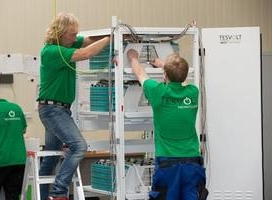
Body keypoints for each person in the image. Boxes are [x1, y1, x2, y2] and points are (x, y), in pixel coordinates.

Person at [37, 12, 111, 200]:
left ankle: (44, 196)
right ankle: (59, 193)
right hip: (53, 110)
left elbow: (87, 40)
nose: (75, 37)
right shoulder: (52, 51)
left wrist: (112, 34)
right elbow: (87, 52)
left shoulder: (67, 43)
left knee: (51, 157)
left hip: (59, 109)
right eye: (71, 34)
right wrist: (111, 38)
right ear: (60, 34)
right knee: (79, 146)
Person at [127, 49, 207, 200]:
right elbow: (181, 81)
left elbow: (140, 73)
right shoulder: (193, 92)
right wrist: (165, 66)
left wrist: (133, 58)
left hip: (167, 164)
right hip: (192, 163)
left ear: (165, 75)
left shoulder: (158, 91)